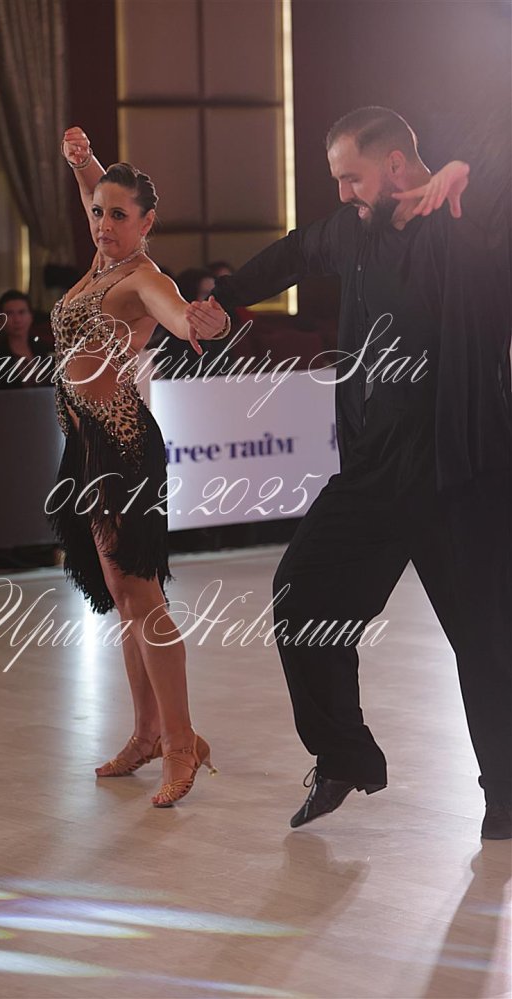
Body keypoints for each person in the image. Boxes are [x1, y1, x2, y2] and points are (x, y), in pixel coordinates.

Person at [213, 106, 512, 840]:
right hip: (376, 468)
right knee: (302, 593)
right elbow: (292, 253)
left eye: (352, 177)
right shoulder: (353, 230)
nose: (344, 193)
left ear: (396, 165)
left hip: (458, 471)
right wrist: (220, 301)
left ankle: (507, 795)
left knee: (486, 640)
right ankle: (344, 754)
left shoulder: (461, 227)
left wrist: (470, 170)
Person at [50, 126, 229, 807]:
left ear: (146, 223)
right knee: (125, 598)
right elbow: (95, 192)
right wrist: (83, 162)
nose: (103, 223)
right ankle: (148, 731)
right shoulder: (101, 265)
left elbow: (178, 316)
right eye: (98, 212)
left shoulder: (143, 278)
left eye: (118, 216)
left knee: (144, 598)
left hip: (122, 450)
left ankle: (180, 743)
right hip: (85, 449)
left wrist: (201, 324)